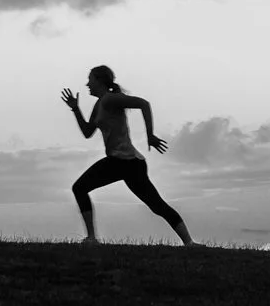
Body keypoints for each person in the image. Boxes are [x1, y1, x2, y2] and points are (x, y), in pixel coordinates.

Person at [60, 65, 195, 246]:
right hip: (126, 163)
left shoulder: (110, 99)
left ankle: (92, 238)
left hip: (125, 162)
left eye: (90, 80)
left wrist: (150, 135)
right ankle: (189, 243)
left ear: (100, 81)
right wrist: (75, 109)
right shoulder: (99, 104)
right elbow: (87, 132)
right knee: (156, 205)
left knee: (80, 188)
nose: (87, 84)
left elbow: (143, 104)